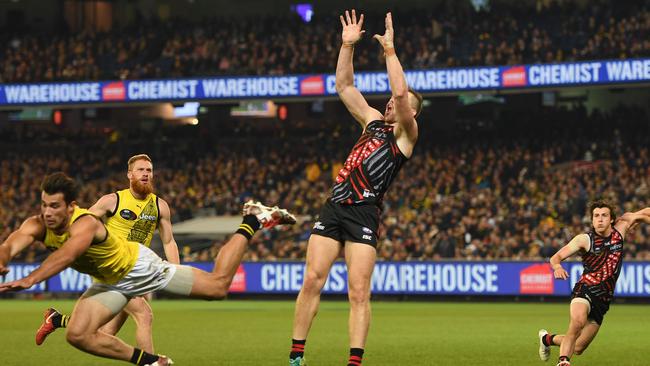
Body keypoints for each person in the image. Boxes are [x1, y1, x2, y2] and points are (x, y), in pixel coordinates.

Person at [0, 172, 296, 365]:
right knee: (78, 335)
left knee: (218, 287)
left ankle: (254, 219)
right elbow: (11, 245)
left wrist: (31, 278)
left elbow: (67, 255)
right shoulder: (36, 224)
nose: (47, 213)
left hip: (139, 268)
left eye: (54, 206)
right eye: (44, 205)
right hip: (110, 281)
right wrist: (2, 260)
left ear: (71, 206)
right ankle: (152, 361)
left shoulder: (85, 223)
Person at [289, 10, 422, 366]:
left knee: (358, 292)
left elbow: (398, 89)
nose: (395, 101)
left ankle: (354, 362)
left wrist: (390, 52)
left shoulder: (405, 136)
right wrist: (347, 46)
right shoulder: (373, 121)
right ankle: (296, 356)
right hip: (335, 206)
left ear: (412, 112)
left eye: (404, 102)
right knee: (312, 280)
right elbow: (345, 87)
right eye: (395, 100)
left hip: (364, 211)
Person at [36, 154, 180, 352]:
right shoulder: (113, 200)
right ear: (129, 174)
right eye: (140, 170)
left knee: (103, 333)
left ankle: (58, 320)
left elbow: (169, 241)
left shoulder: (160, 206)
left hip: (137, 269)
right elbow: (82, 222)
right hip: (114, 269)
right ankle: (152, 363)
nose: (146, 174)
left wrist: (177, 271)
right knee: (144, 315)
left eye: (149, 170)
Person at [537, 199, 650, 366]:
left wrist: (641, 218)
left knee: (579, 347)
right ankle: (563, 361)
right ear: (592, 220)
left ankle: (546, 339)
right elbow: (556, 257)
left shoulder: (622, 227)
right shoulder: (584, 239)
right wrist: (557, 267)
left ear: (612, 219)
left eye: (604, 215)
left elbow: (645, 213)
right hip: (585, 289)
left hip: (603, 300)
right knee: (577, 322)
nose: (600, 219)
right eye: (596, 216)